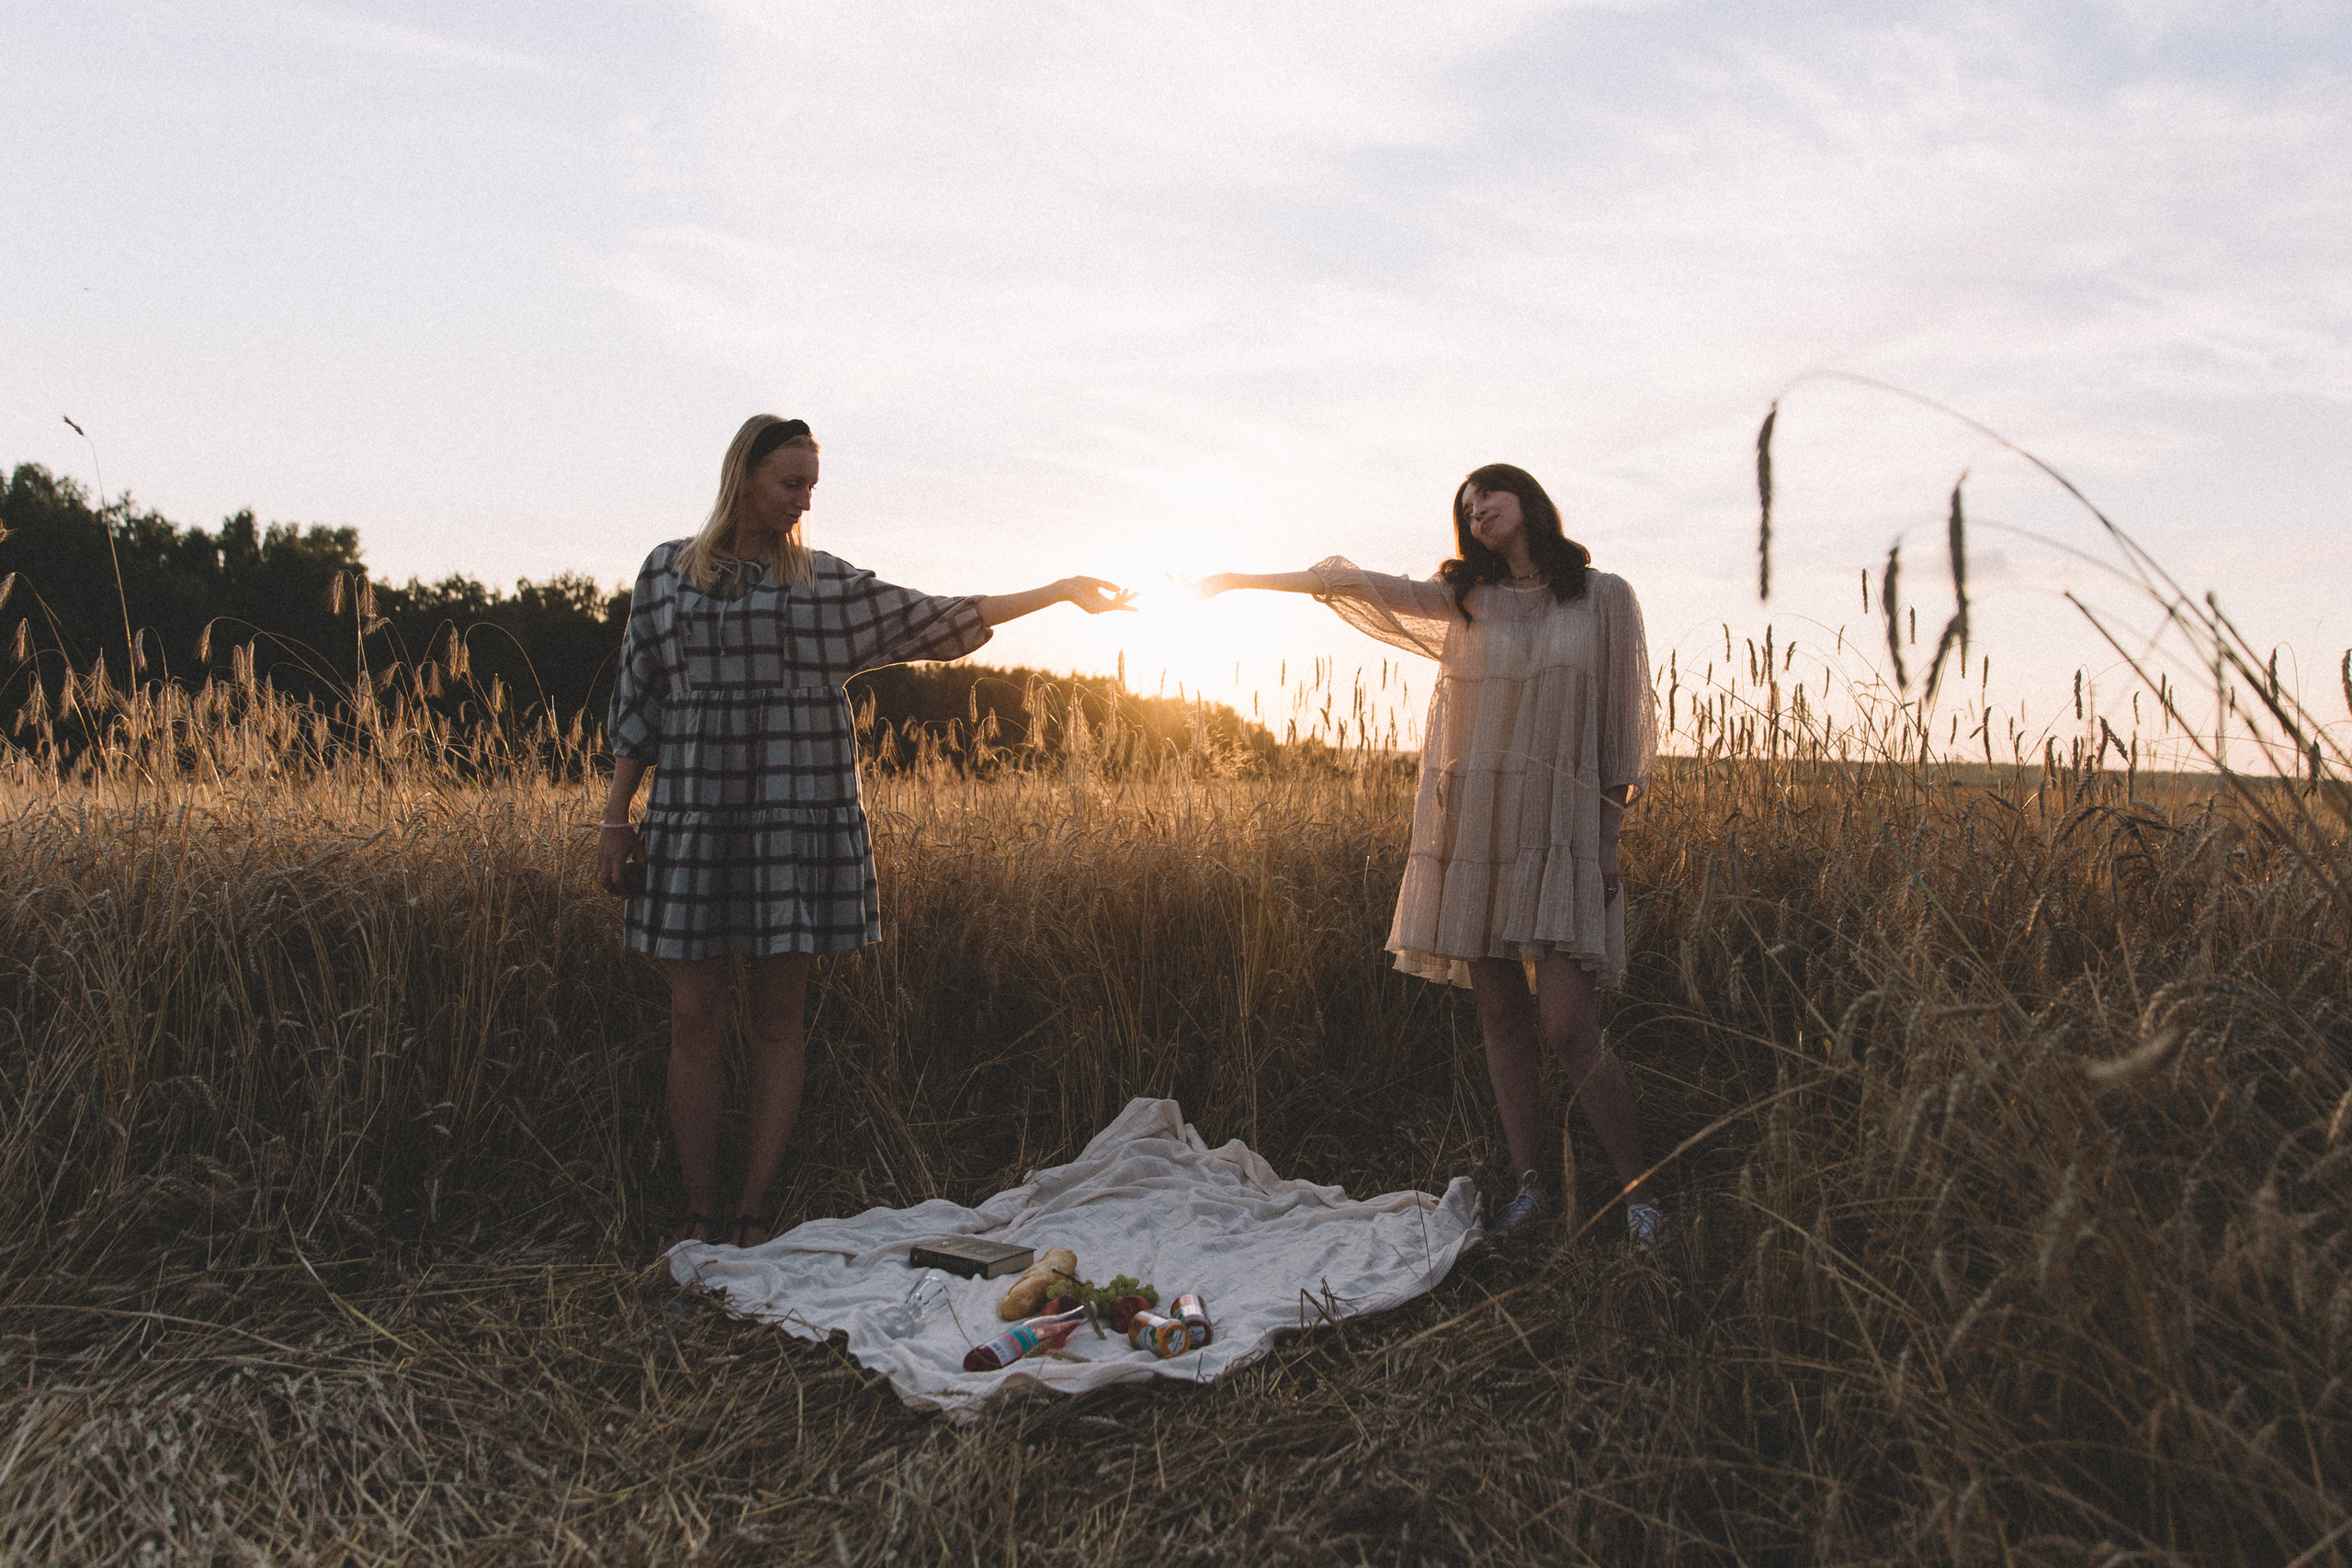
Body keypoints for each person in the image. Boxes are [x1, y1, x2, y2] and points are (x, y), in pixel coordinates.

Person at [596, 415, 1131, 1251]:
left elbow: (943, 619)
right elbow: (638, 705)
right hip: (692, 819)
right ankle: (697, 1207)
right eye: (790, 482)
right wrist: (612, 818)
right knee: (693, 1019)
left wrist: (1059, 589)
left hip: (793, 819)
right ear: (743, 477)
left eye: (813, 485)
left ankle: (753, 1209)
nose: (804, 500)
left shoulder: (823, 585)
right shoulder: (665, 574)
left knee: (779, 1018)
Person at [1195, 464, 1663, 1249]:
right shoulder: (1463, 600)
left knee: (1570, 1029)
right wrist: (1240, 579)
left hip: (1559, 831)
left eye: (1490, 492)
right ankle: (1530, 1189)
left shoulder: (1601, 595)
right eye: (1465, 502)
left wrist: (1609, 840)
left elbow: (1624, 722)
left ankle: (1646, 1196)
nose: (1476, 506)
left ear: (1529, 501)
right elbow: (1356, 587)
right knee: (1500, 1015)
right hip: (1474, 830)